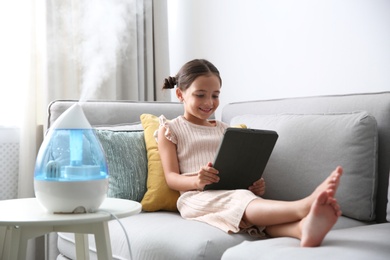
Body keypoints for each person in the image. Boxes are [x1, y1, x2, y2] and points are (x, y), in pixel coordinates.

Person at [157, 59, 343, 247]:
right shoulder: (171, 129)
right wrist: (196, 181)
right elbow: (171, 178)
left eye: (215, 95)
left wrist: (252, 183)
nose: (209, 102)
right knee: (242, 200)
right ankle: (302, 207)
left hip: (232, 192)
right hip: (195, 198)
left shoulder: (225, 130)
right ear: (180, 94)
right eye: (200, 95)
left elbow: (235, 168)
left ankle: (301, 229)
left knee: (247, 200)